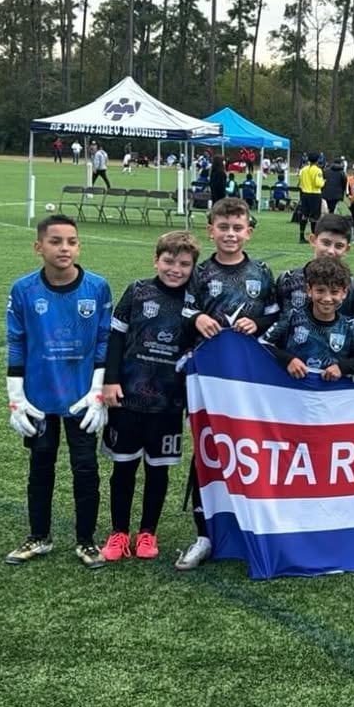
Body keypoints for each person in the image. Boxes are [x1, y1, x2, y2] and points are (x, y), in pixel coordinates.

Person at [4, 214, 113, 568]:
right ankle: (39, 536)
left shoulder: (97, 287)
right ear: (39, 247)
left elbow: (103, 342)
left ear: (79, 245)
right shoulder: (23, 290)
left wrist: (98, 393)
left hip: (82, 398)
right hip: (39, 399)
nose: (64, 248)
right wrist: (16, 398)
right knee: (41, 466)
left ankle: (87, 540)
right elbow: (17, 343)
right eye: (55, 241)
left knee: (85, 468)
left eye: (71, 241)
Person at [177, 197, 279, 571]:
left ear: (248, 231)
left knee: (249, 444)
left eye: (238, 228)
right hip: (209, 378)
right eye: (224, 227)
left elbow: (275, 316)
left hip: (250, 378)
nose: (231, 234)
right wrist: (198, 318)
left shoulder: (262, 272)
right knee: (208, 447)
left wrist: (260, 326)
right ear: (211, 230)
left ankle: (251, 521)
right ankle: (205, 532)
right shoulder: (201, 273)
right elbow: (186, 309)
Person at [98, 231, 200, 562]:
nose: (175, 269)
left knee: (158, 471)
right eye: (169, 261)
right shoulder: (137, 291)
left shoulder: (194, 301)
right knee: (123, 468)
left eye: (184, 264)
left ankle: (147, 533)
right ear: (156, 260)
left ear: (192, 268)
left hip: (169, 403)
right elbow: (115, 338)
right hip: (127, 397)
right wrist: (110, 380)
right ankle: (118, 533)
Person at [261, 256, 354, 381]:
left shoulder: (348, 326)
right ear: (309, 290)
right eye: (320, 291)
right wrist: (288, 360)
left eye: (334, 292)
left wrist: (343, 367)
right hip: (294, 392)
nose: (327, 298)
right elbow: (262, 345)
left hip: (330, 396)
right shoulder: (292, 317)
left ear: (344, 293)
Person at [276, 213, 354, 326]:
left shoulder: (352, 287)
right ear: (313, 240)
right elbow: (274, 321)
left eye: (339, 246)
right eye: (326, 243)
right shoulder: (287, 280)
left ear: (347, 249)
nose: (331, 251)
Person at [297, 151, 325, 244]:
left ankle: (301, 236)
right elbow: (318, 184)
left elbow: (300, 182)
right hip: (314, 194)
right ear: (317, 160)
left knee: (304, 215)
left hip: (305, 194)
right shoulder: (318, 170)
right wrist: (324, 182)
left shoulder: (303, 169)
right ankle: (314, 237)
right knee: (314, 217)